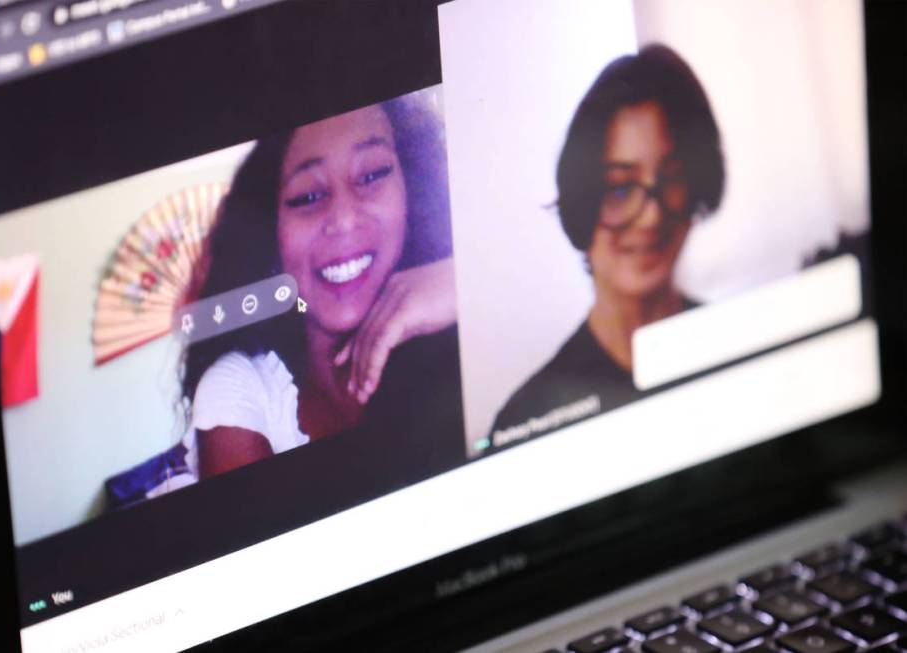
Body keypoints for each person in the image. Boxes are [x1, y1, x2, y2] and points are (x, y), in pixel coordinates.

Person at [180, 94, 459, 480]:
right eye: (308, 195)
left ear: (413, 191)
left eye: (372, 174)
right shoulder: (242, 389)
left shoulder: (467, 317)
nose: (343, 218)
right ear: (271, 234)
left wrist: (471, 282)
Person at [492, 44, 725, 438]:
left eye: (671, 177)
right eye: (620, 189)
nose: (651, 216)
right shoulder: (527, 417)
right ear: (582, 200)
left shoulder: (736, 345)